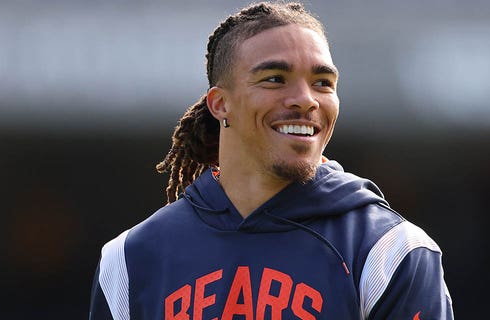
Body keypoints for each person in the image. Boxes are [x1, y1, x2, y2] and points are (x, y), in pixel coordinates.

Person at [89, 2, 454, 319]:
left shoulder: (389, 251)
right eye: (275, 79)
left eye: (323, 83)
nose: (305, 100)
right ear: (220, 104)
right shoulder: (129, 260)